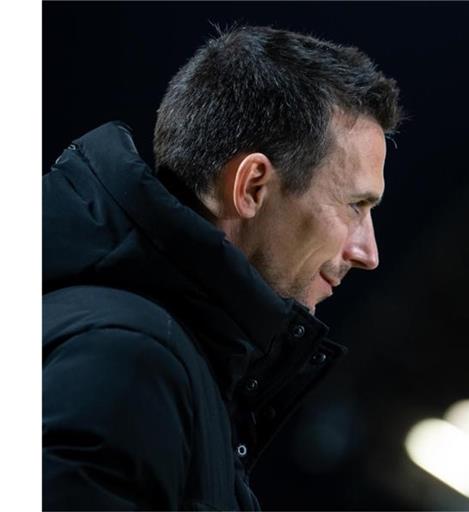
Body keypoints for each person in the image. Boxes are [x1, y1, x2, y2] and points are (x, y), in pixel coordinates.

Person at [42, 25, 402, 510]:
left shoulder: (167, 358)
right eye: (355, 206)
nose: (368, 252)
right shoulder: (132, 361)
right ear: (252, 186)